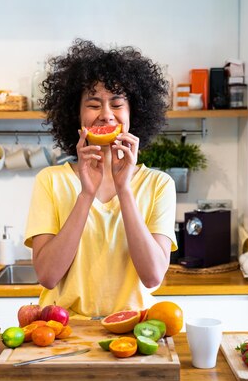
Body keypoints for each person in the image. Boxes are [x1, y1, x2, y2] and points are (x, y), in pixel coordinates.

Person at [24, 39, 177, 318]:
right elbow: (47, 275)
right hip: (62, 332)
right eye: (94, 105)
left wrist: (124, 189)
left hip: (131, 332)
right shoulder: (50, 180)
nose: (106, 114)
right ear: (77, 115)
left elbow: (153, 276)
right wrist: (86, 194)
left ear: (133, 114)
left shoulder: (159, 184)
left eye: (117, 104)